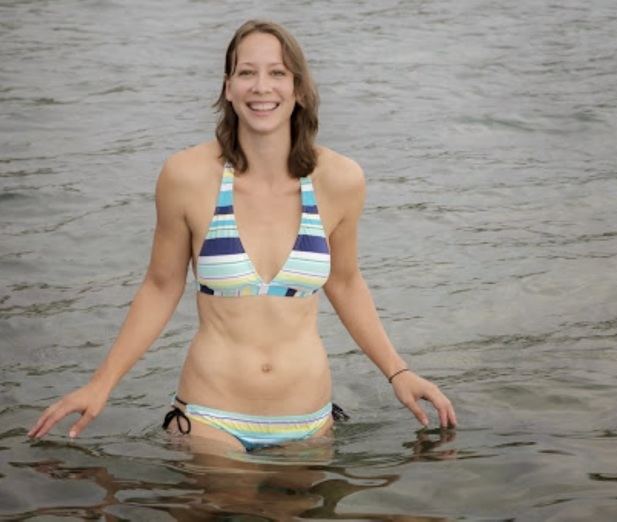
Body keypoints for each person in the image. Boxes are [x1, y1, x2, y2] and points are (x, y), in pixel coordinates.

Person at [28, 19, 457, 453]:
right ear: (228, 88)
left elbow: (345, 283)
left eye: (277, 73)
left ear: (300, 88)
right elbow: (161, 286)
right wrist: (101, 385)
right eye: (246, 73)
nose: (261, 87)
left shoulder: (339, 179)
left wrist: (398, 373)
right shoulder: (187, 176)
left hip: (308, 418)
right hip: (211, 415)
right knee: (234, 498)